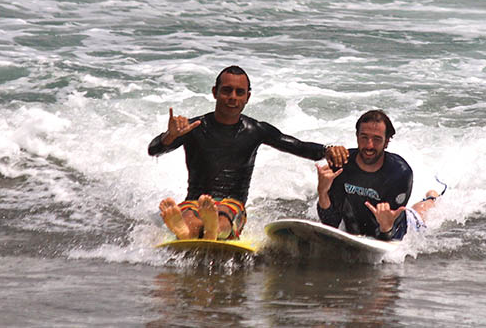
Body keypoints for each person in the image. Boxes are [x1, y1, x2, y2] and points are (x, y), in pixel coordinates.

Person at [148, 65, 347, 241]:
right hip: (194, 201)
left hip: (232, 203)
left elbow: (297, 146)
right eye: (226, 91)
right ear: (215, 92)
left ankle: (200, 231)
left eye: (239, 92)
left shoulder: (255, 130)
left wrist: (326, 150)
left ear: (247, 97)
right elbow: (154, 150)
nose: (232, 97)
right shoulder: (194, 127)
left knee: (223, 217)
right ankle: (195, 230)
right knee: (191, 217)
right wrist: (170, 136)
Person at [316, 109, 416, 240]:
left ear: (386, 142)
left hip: (400, 232)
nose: (369, 145)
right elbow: (331, 222)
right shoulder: (341, 164)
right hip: (355, 233)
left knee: (420, 212)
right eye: (364, 137)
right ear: (357, 136)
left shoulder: (399, 173)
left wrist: (386, 227)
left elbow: (387, 239)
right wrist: (322, 192)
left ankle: (431, 198)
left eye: (377, 139)